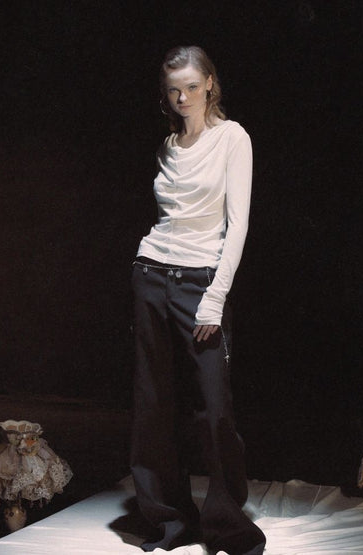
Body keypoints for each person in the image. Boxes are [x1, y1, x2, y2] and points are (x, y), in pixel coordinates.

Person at [130, 45, 266, 555]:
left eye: (191, 86)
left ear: (210, 83)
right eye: (173, 90)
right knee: (153, 406)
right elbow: (169, 220)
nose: (182, 97)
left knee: (214, 410)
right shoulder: (168, 146)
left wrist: (215, 297)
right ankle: (168, 520)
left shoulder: (232, 138)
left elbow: (238, 224)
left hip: (201, 282)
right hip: (151, 274)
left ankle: (227, 526)